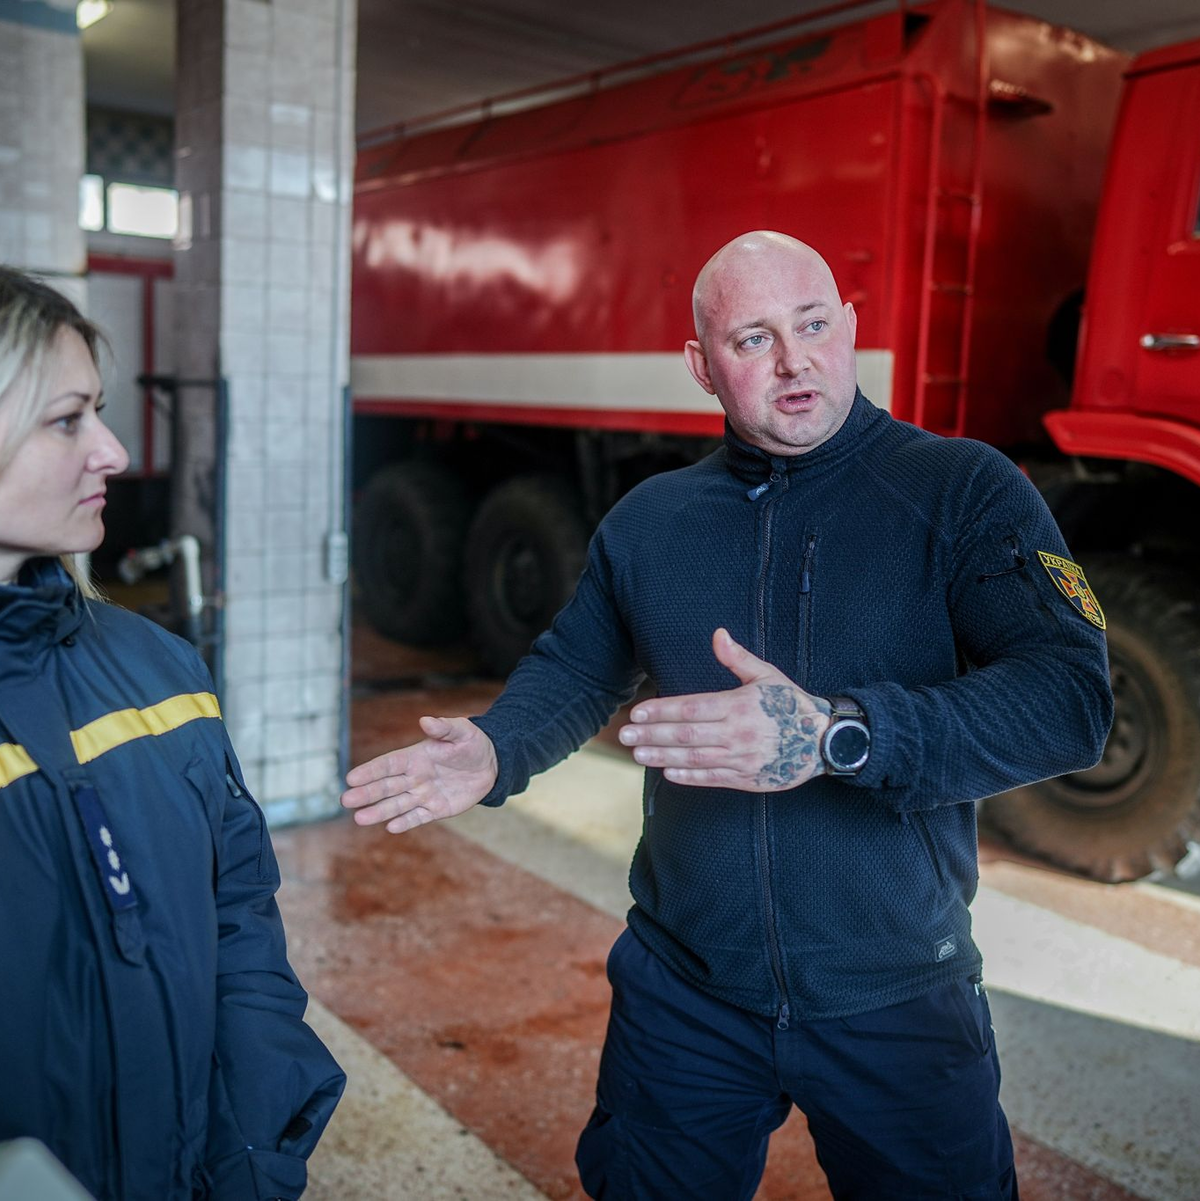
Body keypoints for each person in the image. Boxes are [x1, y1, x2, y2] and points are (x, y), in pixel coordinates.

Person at [341, 231, 1112, 1199]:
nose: (794, 361)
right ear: (703, 366)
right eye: (753, 339)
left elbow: (1070, 699)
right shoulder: (652, 522)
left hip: (897, 994)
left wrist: (838, 731)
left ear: (852, 330)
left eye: (814, 325)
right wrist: (496, 749)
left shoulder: (962, 492)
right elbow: (577, 666)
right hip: (685, 993)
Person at [0, 266, 345, 1200]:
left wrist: (251, 1149)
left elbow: (240, 914)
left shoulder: (160, 670)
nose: (112, 450)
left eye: (99, 412)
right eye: (67, 419)